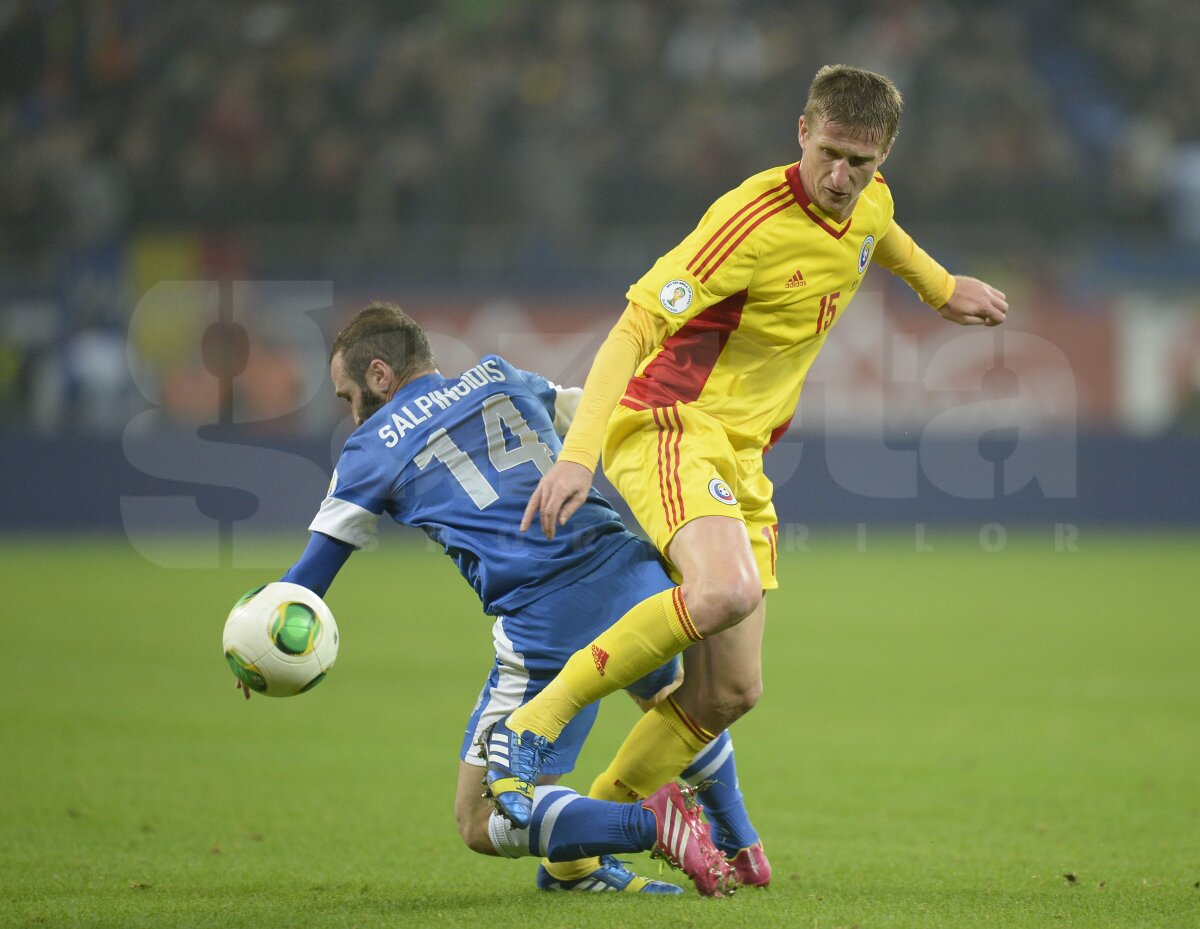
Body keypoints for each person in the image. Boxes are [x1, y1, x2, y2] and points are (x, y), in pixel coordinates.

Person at [484, 65, 1008, 840]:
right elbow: (632, 328)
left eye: (860, 163)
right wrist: (578, 455)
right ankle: (532, 723)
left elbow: (881, 234)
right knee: (725, 591)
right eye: (828, 152)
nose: (840, 176)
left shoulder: (868, 203)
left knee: (730, 690)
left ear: (883, 159)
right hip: (670, 421)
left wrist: (938, 286)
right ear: (802, 130)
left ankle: (583, 840)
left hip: (743, 455)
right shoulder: (748, 220)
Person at [254, 302, 762, 897]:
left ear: (379, 375)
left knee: (479, 818)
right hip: (633, 576)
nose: (350, 412)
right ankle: (740, 842)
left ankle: (651, 825)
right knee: (668, 699)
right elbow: (594, 411)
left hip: (547, 619)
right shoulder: (497, 375)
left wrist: (261, 638)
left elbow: (310, 577)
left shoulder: (368, 448)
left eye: (347, 396)